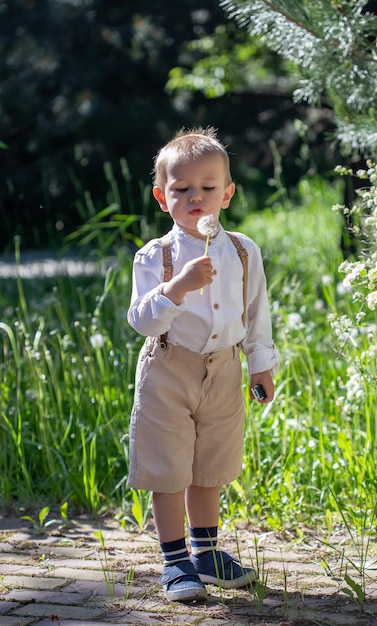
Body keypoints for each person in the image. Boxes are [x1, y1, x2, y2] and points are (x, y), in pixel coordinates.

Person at [127, 127, 278, 602]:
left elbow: (256, 313)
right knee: (168, 464)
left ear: (227, 194)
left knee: (210, 462)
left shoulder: (241, 250)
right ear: (161, 196)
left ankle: (206, 552)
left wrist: (260, 365)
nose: (196, 197)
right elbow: (142, 320)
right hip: (169, 367)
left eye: (208, 188)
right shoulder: (157, 255)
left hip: (225, 368)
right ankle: (174, 561)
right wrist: (178, 287)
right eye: (182, 189)